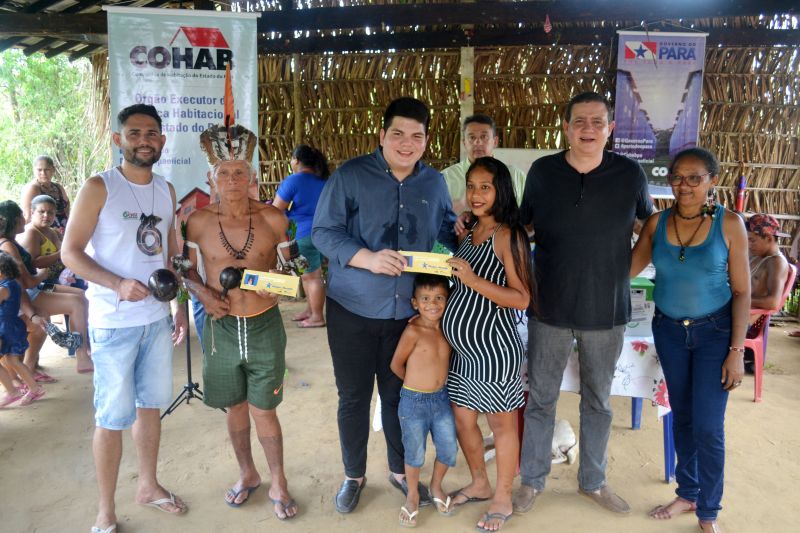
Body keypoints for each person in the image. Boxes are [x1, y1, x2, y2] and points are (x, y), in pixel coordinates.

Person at [312, 97, 458, 514]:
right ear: (382, 135)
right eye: (398, 134)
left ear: (426, 140)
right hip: (353, 309)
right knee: (354, 397)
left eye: (416, 136)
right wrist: (368, 258)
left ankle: (399, 470)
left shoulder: (433, 184)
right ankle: (353, 475)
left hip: (406, 317)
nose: (407, 143)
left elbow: (446, 230)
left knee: (400, 395)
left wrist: (457, 236)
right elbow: (324, 232)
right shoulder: (351, 176)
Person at [515, 91, 653, 516]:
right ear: (566, 128)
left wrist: (621, 275)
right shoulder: (543, 172)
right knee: (540, 398)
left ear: (610, 128)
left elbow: (649, 228)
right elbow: (522, 230)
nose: (589, 128)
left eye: (598, 121)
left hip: (606, 311)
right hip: (549, 305)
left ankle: (593, 481)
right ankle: (531, 480)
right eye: (580, 121)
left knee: (597, 400)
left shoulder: (629, 174)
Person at [61, 103, 188, 533]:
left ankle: (148, 486)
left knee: (150, 406)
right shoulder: (100, 187)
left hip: (154, 320)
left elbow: (170, 256)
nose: (144, 141)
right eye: (134, 134)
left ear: (162, 141)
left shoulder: (166, 190)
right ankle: (105, 511)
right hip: (113, 323)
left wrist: (178, 307)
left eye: (151, 133)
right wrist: (116, 284)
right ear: (119, 140)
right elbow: (70, 252)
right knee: (112, 418)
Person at [631, 147, 749, 533]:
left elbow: (743, 292)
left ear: (712, 180)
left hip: (715, 333)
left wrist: (736, 351)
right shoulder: (655, 223)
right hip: (668, 331)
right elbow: (624, 269)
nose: (684, 185)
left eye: (694, 177)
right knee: (681, 416)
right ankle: (689, 491)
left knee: (708, 425)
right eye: (677, 177)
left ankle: (708, 511)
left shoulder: (729, 225)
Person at [185, 124, 298, 519]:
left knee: (264, 408)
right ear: (210, 179)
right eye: (224, 173)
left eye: (239, 172)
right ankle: (247, 473)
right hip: (220, 327)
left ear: (252, 177)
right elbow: (185, 270)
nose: (232, 179)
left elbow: (296, 273)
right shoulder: (195, 222)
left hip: (264, 323)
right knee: (234, 406)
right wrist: (201, 294)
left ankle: (279, 481)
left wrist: (278, 287)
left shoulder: (274, 220)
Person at [441, 157, 533, 532]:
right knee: (464, 421)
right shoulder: (470, 231)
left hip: (494, 349)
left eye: (486, 187)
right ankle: (480, 482)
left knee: (502, 425)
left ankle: (503, 496)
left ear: (501, 191)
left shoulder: (507, 235)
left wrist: (473, 279)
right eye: (472, 187)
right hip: (463, 352)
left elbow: (522, 297)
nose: (476, 195)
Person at [389, 273, 457, 526]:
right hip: (413, 402)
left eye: (440, 298)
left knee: (448, 448)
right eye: (425, 298)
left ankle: (437, 487)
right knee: (415, 453)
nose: (433, 304)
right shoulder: (413, 330)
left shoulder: (449, 327)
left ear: (448, 300)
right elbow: (396, 364)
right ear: (415, 303)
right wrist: (414, 385)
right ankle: (413, 495)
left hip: (442, 401)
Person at [0, 200, 92, 375]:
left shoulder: (15, 240)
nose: (23, 218)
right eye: (21, 215)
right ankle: (81, 355)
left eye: (50, 212)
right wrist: (44, 273)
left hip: (39, 286)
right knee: (76, 304)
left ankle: (34, 367)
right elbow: (26, 282)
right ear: (12, 220)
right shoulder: (10, 244)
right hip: (25, 294)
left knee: (81, 295)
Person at [272, 144, 329, 328]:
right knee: (311, 274)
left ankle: (317, 316)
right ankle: (310, 310)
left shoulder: (293, 181)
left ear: (296, 160)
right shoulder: (324, 181)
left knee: (311, 277)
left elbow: (275, 210)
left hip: (303, 234)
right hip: (323, 234)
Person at [442, 114, 527, 214]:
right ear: (464, 143)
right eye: (472, 137)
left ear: (495, 142)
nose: (478, 142)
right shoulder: (445, 178)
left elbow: (527, 218)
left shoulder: (515, 175)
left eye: (484, 136)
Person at [0, 250, 47, 407]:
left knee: (11, 360)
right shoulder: (13, 284)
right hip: (13, 327)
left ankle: (14, 392)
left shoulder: (3, 289)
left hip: (7, 329)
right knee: (12, 360)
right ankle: (32, 388)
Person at [746, 214, 789, 335]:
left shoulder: (776, 262)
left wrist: (738, 299)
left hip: (743, 321)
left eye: (752, 240)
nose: (749, 244)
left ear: (769, 239)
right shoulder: (757, 256)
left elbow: (773, 302)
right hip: (735, 314)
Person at [21, 155, 70, 233]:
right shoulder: (33, 188)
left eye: (47, 169)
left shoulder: (58, 187)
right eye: (39, 170)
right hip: (43, 234)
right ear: (34, 170)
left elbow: (67, 211)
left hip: (64, 233)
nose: (43, 173)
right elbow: (28, 217)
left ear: (53, 170)